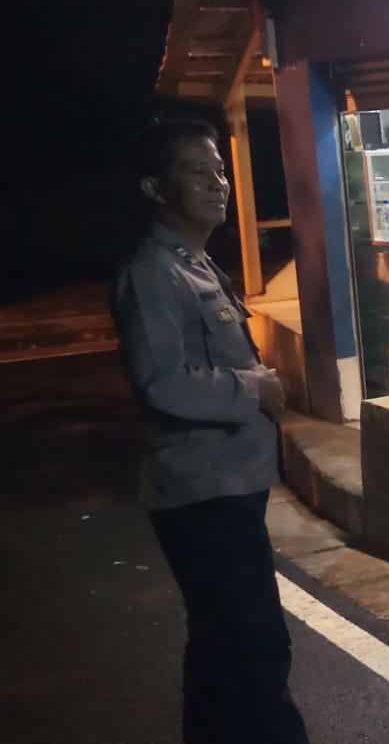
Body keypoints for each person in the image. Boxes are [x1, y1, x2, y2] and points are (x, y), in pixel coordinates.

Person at [113, 117, 308, 743]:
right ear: (155, 188)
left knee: (220, 653)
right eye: (198, 172)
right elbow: (163, 382)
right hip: (202, 495)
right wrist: (254, 388)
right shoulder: (154, 272)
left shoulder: (193, 264)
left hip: (228, 488)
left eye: (219, 170)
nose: (218, 183)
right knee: (255, 652)